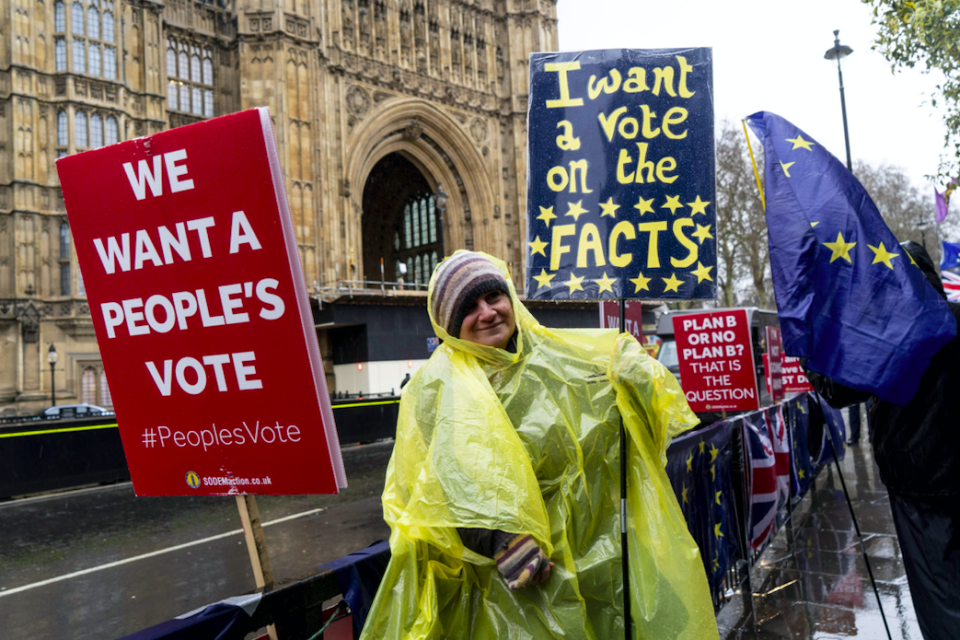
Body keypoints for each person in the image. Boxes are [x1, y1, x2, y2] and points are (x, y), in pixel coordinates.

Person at [361, 251, 718, 640]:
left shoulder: (565, 359)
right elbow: (434, 493)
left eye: (493, 297)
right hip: (521, 579)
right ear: (447, 325)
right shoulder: (434, 389)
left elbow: (632, 439)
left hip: (600, 559)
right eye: (468, 307)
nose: (487, 312)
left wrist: (640, 380)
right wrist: (498, 538)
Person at [808, 241, 960, 640]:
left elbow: (836, 390)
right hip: (926, 480)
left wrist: (810, 341)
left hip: (919, 486)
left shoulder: (883, 336)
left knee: (941, 593)